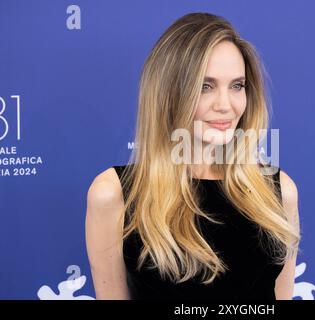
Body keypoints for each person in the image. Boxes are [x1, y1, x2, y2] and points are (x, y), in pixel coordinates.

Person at [85, 12, 300, 300]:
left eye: (237, 85)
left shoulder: (278, 191)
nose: (226, 105)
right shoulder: (114, 194)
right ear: (168, 94)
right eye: (205, 86)